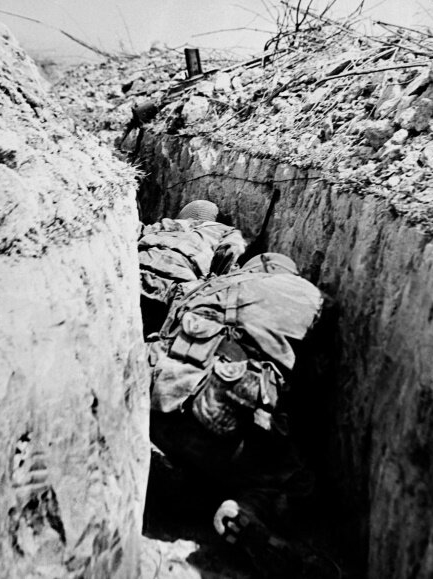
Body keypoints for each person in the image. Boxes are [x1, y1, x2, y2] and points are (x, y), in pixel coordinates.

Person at [146, 252, 337, 577]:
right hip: (221, 413)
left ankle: (183, 483)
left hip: (157, 402)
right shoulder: (301, 292)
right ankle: (246, 510)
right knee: (297, 481)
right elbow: (322, 336)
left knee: (197, 465)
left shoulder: (206, 286)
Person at [138, 199, 246, 335]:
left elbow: (137, 231)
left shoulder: (166, 223)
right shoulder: (224, 231)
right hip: (177, 283)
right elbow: (232, 250)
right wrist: (214, 276)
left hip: (139, 267)